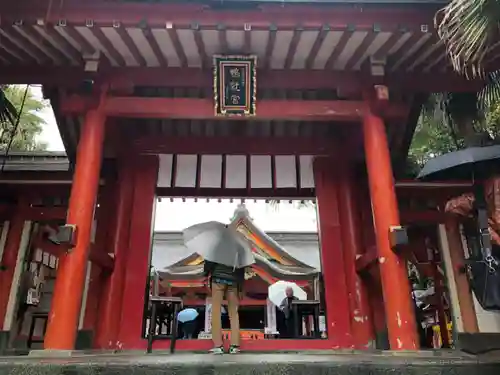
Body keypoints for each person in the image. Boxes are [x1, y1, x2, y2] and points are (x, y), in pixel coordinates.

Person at [204, 259, 245, 354]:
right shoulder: (237, 247)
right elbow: (241, 267)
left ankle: (218, 346)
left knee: (216, 311)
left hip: (217, 279)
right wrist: (241, 287)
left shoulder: (217, 245)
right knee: (234, 313)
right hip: (233, 281)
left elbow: (209, 262)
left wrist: (206, 274)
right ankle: (234, 346)